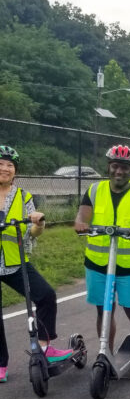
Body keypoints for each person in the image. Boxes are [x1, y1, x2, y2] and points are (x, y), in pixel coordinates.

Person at [74, 144, 130, 383]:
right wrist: (80, 222)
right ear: (109, 167)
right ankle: (105, 354)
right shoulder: (94, 189)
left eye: (125, 167)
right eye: (115, 166)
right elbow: (83, 214)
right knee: (104, 309)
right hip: (98, 262)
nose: (119, 171)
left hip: (128, 264)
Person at [0, 145, 73, 382]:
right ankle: (1, 365)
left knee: (45, 295)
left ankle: (44, 346)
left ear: (15, 171)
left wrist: (38, 222)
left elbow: (33, 232)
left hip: (14, 261)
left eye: (10, 165)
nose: (5, 168)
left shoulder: (23, 197)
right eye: (1, 164)